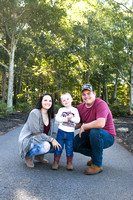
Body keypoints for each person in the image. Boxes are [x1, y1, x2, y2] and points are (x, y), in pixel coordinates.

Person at [73, 84, 116, 175]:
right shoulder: (80, 107)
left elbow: (100, 123)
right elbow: (78, 124)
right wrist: (66, 126)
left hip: (107, 136)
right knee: (74, 144)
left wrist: (84, 127)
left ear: (94, 94)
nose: (86, 96)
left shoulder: (100, 104)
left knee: (95, 131)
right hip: (91, 135)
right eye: (84, 94)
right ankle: (95, 156)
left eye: (89, 93)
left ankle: (97, 165)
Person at [18, 93, 61, 168]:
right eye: (45, 100)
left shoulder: (51, 115)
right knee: (46, 145)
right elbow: (36, 133)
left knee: (59, 142)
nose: (48, 102)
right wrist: (52, 140)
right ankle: (29, 156)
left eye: (50, 101)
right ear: (41, 101)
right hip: (30, 139)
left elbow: (51, 132)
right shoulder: (35, 113)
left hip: (41, 139)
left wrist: (56, 139)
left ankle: (39, 156)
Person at [52, 93, 80, 170]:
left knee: (69, 147)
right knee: (59, 147)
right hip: (61, 131)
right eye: (64, 100)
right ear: (62, 102)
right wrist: (64, 119)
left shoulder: (75, 110)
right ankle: (56, 162)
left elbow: (78, 120)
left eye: (68, 99)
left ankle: (69, 163)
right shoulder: (61, 110)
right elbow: (57, 118)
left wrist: (70, 118)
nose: (66, 101)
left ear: (71, 99)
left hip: (70, 133)